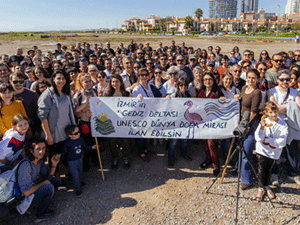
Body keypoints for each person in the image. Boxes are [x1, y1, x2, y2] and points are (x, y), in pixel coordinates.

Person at [38, 70, 76, 176]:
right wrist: (48, 134)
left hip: (66, 130)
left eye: (63, 78)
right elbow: (42, 116)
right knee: (54, 156)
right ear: (53, 79)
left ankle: (70, 175)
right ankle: (57, 178)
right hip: (54, 132)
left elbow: (72, 110)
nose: (61, 81)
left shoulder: (66, 92)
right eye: (58, 78)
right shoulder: (47, 95)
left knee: (66, 154)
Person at [268, 69, 300, 186]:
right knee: (275, 148)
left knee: (292, 150)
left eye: (287, 79)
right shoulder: (271, 92)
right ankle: (273, 173)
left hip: (291, 125)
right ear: (277, 80)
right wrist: (291, 108)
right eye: (282, 79)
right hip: (277, 124)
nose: (285, 82)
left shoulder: (294, 92)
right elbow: (274, 108)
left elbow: (299, 106)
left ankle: (293, 174)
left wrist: (284, 108)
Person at [17, 138, 60, 222]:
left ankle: (40, 205)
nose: (41, 151)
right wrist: (43, 183)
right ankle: (40, 215)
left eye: (43, 148)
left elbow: (49, 178)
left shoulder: (39, 161)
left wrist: (54, 165)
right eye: (38, 149)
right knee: (49, 187)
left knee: (56, 181)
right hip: (22, 201)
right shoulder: (26, 165)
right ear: (31, 150)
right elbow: (26, 192)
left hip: (31, 192)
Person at [254, 102, 288, 201]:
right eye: (271, 112)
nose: (274, 114)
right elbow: (258, 137)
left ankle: (267, 186)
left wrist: (268, 140)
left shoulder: (283, 124)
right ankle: (261, 188)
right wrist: (262, 128)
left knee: (269, 169)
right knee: (262, 168)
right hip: (263, 150)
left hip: (273, 152)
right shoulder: (264, 122)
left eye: (275, 112)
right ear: (266, 113)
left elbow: (282, 141)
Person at [198, 72, 226, 176]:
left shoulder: (217, 92)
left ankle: (216, 165)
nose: (207, 81)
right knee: (205, 143)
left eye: (209, 79)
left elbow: (223, 106)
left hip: (213, 122)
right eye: (205, 79)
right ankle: (208, 159)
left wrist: (222, 100)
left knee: (211, 144)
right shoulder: (201, 92)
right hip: (203, 121)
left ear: (213, 80)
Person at [239, 69, 262, 190]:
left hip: (250, 125)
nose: (250, 80)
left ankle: (247, 180)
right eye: (249, 77)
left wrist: (248, 126)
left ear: (258, 79)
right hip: (242, 122)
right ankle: (241, 172)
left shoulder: (257, 92)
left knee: (247, 152)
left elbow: (254, 112)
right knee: (240, 149)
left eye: (253, 78)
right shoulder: (243, 88)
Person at [132, 68, 162, 162]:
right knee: (141, 136)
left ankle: (145, 149)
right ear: (138, 76)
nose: (144, 77)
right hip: (141, 116)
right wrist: (137, 98)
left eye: (146, 75)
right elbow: (134, 102)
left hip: (149, 115)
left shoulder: (150, 85)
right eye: (142, 75)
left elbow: (157, 97)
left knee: (146, 134)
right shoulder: (137, 88)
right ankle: (141, 153)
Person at [104, 74, 131, 169]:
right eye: (113, 82)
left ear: (121, 82)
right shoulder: (107, 94)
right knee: (112, 142)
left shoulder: (127, 94)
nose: (115, 83)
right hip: (111, 122)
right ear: (110, 83)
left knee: (125, 141)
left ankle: (125, 158)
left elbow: (132, 106)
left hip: (124, 122)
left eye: (117, 81)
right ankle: (115, 158)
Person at [60, 125, 96, 196]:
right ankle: (78, 189)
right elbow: (64, 151)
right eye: (76, 133)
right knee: (75, 174)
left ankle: (79, 182)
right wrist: (59, 155)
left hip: (80, 159)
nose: (78, 134)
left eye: (79, 132)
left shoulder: (81, 139)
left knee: (79, 172)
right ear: (70, 135)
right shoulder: (67, 143)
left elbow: (84, 147)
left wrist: (92, 147)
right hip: (71, 161)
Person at [166, 77, 193, 167]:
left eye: (185, 85)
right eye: (181, 85)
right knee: (173, 142)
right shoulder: (174, 95)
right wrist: (167, 97)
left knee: (184, 140)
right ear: (178, 86)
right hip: (175, 123)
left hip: (185, 122)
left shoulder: (189, 96)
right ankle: (170, 158)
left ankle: (184, 154)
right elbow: (167, 104)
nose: (183, 87)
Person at [74, 73, 98, 171]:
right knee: (86, 142)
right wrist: (85, 104)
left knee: (94, 140)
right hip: (84, 122)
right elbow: (75, 111)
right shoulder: (78, 95)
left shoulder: (94, 91)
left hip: (94, 121)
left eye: (89, 81)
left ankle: (95, 159)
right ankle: (86, 162)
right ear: (81, 83)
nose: (88, 83)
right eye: (85, 81)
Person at [10, 71, 40, 137]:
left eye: (21, 81)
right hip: (12, 132)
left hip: (31, 130)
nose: (18, 84)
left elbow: (38, 114)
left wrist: (38, 130)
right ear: (10, 81)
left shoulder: (32, 94)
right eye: (15, 82)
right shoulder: (7, 95)